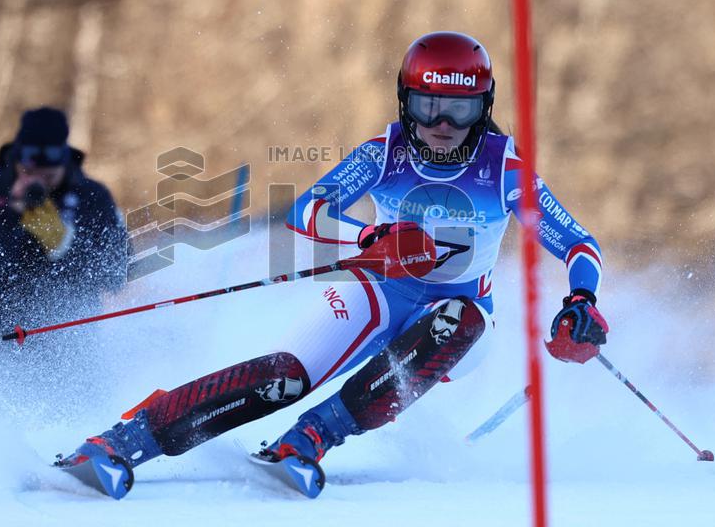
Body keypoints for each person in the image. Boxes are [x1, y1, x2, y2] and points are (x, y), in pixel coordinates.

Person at [55, 32, 608, 499]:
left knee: (455, 319)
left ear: (482, 107)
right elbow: (308, 212)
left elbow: (578, 244)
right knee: (285, 377)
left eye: (458, 110)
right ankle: (122, 443)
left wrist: (581, 302)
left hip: (457, 313)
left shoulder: (505, 169)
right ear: (404, 101)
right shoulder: (383, 152)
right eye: (426, 106)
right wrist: (372, 235)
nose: (441, 123)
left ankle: (309, 441)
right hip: (380, 287)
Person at [0, 107, 127, 338]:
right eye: (32, 163)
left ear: (64, 156)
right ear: (17, 157)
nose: (41, 174)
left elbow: (119, 271)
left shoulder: (92, 198)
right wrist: (10, 220)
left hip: (72, 343)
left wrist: (66, 243)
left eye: (51, 160)